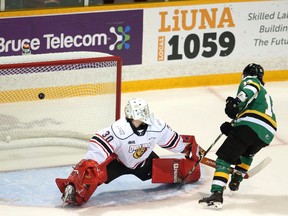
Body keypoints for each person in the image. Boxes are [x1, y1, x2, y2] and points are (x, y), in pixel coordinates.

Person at [56, 98, 201, 206]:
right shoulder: (119, 129)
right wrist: (91, 164)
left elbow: (172, 141)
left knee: (187, 171)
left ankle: (184, 171)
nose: (140, 119)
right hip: (117, 163)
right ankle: (73, 188)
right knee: (91, 174)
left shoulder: (157, 125)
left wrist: (189, 148)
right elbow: (98, 146)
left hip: (144, 162)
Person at [198, 63, 277, 209]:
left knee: (224, 159)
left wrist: (236, 102)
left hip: (251, 125)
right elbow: (246, 115)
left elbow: (250, 89)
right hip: (268, 133)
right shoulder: (266, 97)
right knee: (247, 152)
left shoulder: (252, 80)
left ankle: (216, 194)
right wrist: (232, 128)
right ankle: (237, 178)